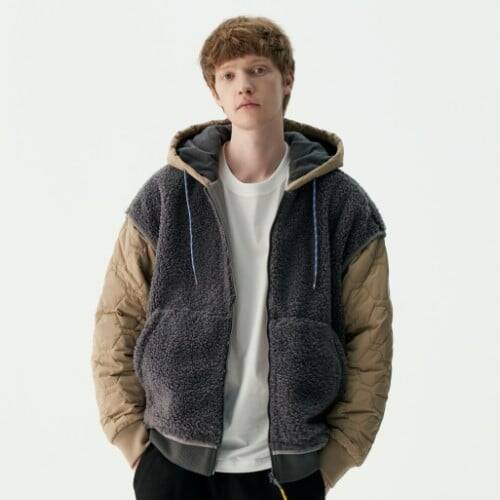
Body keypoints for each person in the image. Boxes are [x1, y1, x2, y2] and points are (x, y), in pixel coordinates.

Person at [91, 15, 393, 500]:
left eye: (258, 70)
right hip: (172, 461)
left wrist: (336, 458)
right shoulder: (167, 195)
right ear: (215, 91)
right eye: (228, 75)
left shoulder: (342, 205)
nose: (243, 85)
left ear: (287, 79)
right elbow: (117, 316)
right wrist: (131, 438)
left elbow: (371, 337)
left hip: (290, 468)